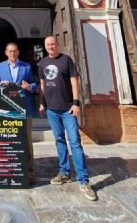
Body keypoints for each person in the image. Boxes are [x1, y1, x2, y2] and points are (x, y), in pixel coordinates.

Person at [38, 35, 97, 201]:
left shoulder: (66, 60)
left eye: (53, 44)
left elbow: (74, 82)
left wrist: (76, 103)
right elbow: (42, 85)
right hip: (51, 110)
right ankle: (64, 172)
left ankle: (83, 181)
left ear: (57, 44)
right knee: (59, 141)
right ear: (45, 46)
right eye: (48, 44)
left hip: (68, 109)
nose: (51, 46)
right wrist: (41, 102)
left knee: (75, 143)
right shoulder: (42, 63)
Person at [0, 42, 38, 184]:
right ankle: (9, 169)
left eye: (15, 51)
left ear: (18, 52)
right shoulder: (0, 67)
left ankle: (29, 170)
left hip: (24, 109)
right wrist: (0, 85)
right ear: (6, 52)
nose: (12, 54)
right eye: (10, 51)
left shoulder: (26, 66)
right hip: (7, 110)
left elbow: (34, 84)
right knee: (8, 140)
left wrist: (29, 86)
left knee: (27, 139)